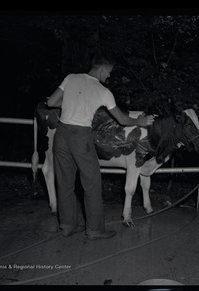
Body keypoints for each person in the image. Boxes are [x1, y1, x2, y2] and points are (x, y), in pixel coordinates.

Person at [47, 53, 155, 240]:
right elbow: (121, 119)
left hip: (61, 134)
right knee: (92, 183)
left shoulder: (71, 78)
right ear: (103, 69)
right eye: (110, 72)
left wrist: (75, 101)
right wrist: (140, 121)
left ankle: (67, 225)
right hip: (80, 136)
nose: (109, 76)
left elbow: (51, 102)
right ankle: (95, 229)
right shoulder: (103, 92)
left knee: (65, 182)